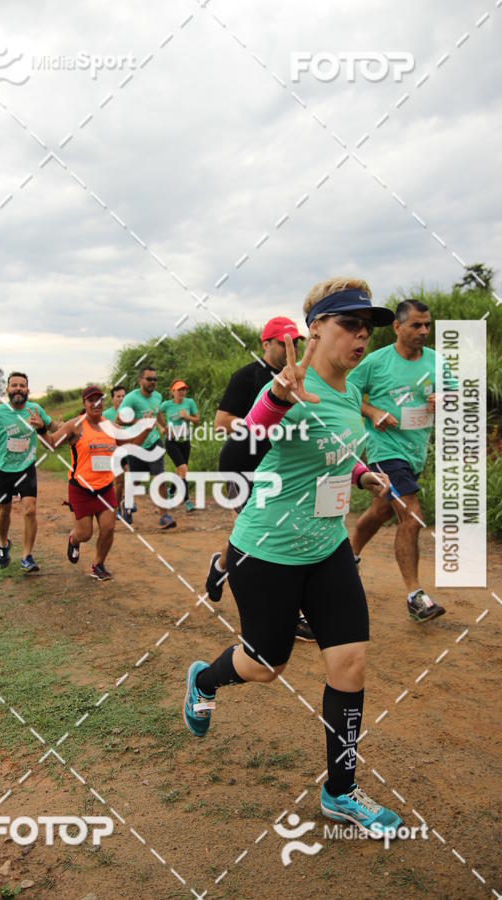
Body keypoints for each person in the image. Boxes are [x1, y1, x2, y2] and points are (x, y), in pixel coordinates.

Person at [183, 277, 405, 838]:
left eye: (367, 327)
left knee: (350, 663)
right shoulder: (286, 388)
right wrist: (277, 399)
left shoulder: (351, 390)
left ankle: (340, 790)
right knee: (265, 665)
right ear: (315, 331)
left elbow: (333, 449)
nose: (361, 336)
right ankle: (205, 681)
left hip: (328, 548)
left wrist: (362, 474)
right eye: (348, 324)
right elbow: (238, 453)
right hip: (267, 552)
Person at [205, 317, 316, 641]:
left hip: (280, 468)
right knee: (269, 530)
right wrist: (263, 423)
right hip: (243, 465)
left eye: (295, 341)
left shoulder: (301, 378)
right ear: (265, 344)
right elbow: (222, 422)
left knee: (273, 527)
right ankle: (289, 614)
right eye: (283, 342)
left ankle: (222, 565)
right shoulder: (248, 375)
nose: (290, 347)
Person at [348, 299, 447, 623]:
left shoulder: (435, 361)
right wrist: (373, 411)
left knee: (379, 510)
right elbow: (346, 392)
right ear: (397, 327)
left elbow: (456, 394)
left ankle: (348, 558)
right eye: (416, 325)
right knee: (412, 515)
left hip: (414, 451)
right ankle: (415, 596)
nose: (423, 331)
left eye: (427, 325)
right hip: (383, 450)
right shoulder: (376, 362)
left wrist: (445, 398)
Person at [47, 386, 153, 581]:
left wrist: (146, 429)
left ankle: (98, 565)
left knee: (109, 528)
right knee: (85, 533)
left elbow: (132, 444)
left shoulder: (111, 427)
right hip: (81, 488)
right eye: (91, 400)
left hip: (105, 487)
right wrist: (39, 429)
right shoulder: (75, 426)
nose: (96, 404)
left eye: (99, 400)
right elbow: (52, 443)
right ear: (84, 404)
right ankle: (73, 538)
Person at [0, 372, 53, 572]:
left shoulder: (35, 409)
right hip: (2, 469)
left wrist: (53, 426)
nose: (18, 389)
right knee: (3, 512)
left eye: (22, 386)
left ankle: (27, 556)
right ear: (7, 390)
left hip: (26, 467)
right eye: (14, 385)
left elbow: (53, 428)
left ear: (28, 390)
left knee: (30, 509)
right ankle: (3, 544)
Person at [118, 366, 175, 530]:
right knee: (135, 480)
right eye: (149, 379)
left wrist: (165, 426)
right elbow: (119, 419)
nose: (153, 382)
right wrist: (139, 422)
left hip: (154, 441)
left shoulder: (157, 396)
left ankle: (164, 516)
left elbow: (157, 413)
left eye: (155, 379)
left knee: (159, 477)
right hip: (136, 443)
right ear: (140, 380)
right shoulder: (130, 399)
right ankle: (125, 503)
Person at [160, 380, 200, 513]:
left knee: (180, 471)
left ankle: (171, 491)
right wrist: (162, 427)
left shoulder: (190, 403)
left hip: (185, 442)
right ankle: (186, 500)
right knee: (183, 469)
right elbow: (155, 414)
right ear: (173, 392)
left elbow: (197, 420)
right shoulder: (167, 405)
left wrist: (186, 416)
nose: (182, 392)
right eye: (179, 389)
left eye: (184, 389)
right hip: (171, 441)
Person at [103, 384, 133, 524]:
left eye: (123, 396)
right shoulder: (106, 415)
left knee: (131, 474)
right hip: (114, 451)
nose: (121, 399)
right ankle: (117, 507)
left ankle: (128, 504)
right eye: (118, 396)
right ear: (112, 399)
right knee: (119, 481)